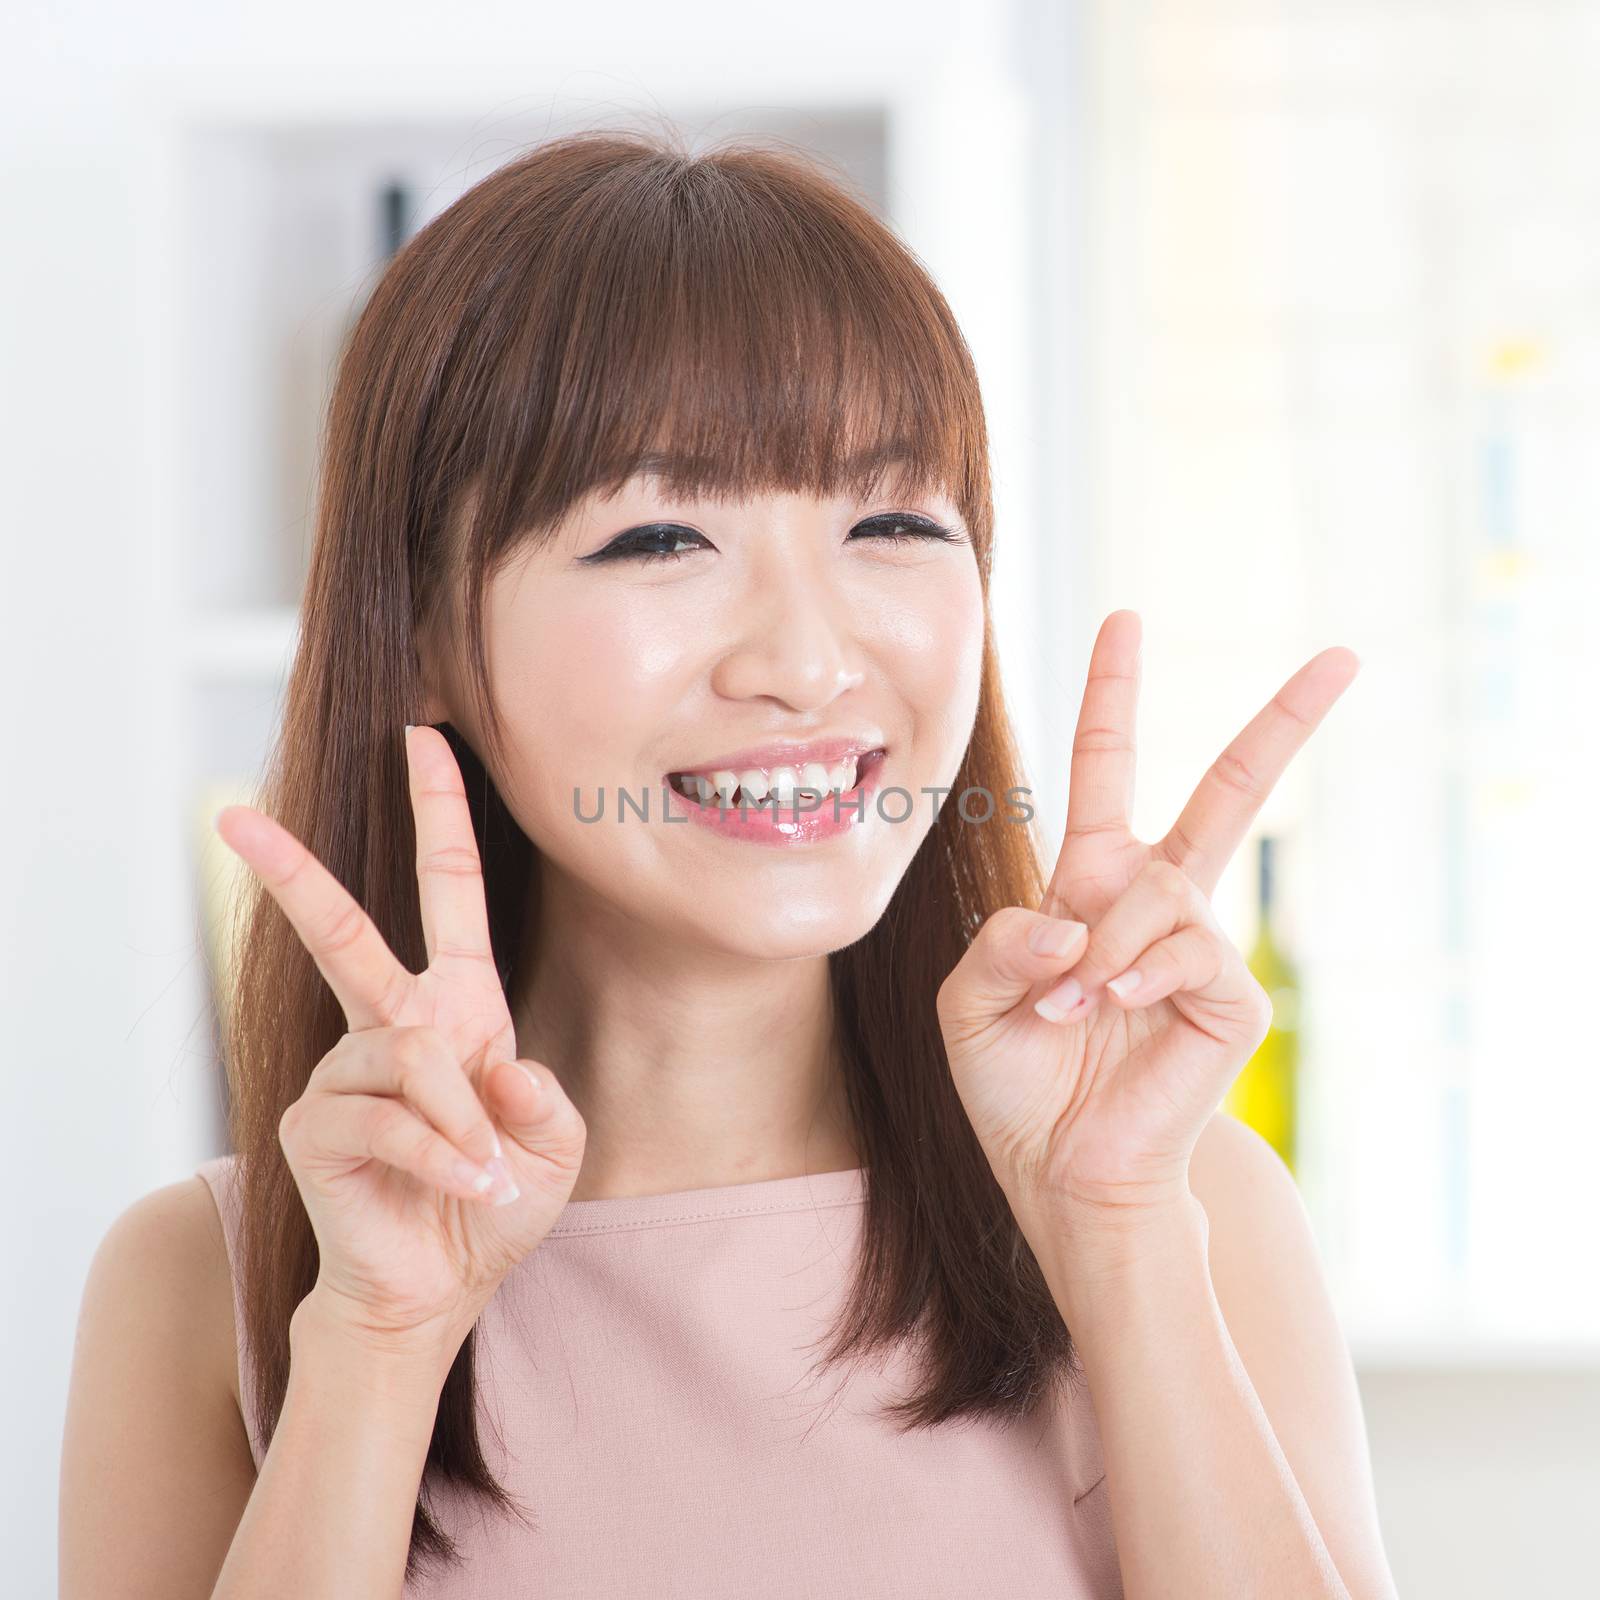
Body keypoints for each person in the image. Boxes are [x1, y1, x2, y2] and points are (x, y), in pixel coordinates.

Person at [59, 128, 1398, 1598]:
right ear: (424, 633)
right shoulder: (217, 1281)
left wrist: (1123, 1242)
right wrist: (376, 1346)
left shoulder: (1179, 1201)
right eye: (659, 538)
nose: (810, 663)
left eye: (890, 522)